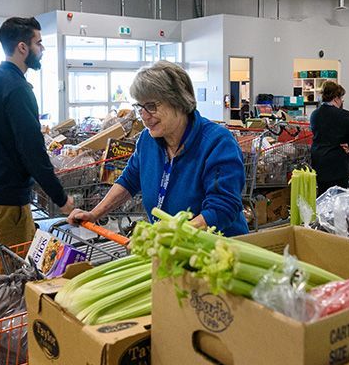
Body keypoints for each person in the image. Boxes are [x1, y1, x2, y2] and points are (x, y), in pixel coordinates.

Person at [70, 61, 248, 236]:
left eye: (151, 106)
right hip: (173, 249)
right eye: (140, 107)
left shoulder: (217, 143)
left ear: (179, 101)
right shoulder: (147, 140)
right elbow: (129, 180)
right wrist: (94, 214)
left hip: (218, 250)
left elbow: (222, 208)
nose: (144, 117)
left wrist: (172, 236)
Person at [0, 17, 74, 249]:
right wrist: (61, 199)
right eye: (39, 43)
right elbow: (32, 150)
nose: (42, 49)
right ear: (22, 47)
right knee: (11, 273)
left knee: (1, 263)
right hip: (4, 197)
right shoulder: (18, 89)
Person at [309, 81, 349, 195]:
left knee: (322, 194)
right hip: (336, 162)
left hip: (318, 159)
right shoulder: (343, 115)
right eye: (341, 98)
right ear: (336, 98)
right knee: (339, 196)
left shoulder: (315, 114)